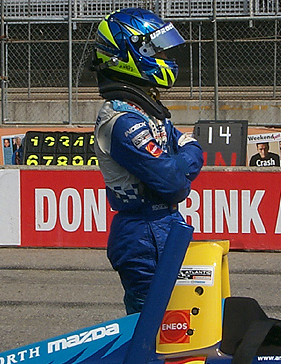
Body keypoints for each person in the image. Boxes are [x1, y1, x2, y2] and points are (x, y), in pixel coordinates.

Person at [93, 8, 203, 314]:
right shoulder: (122, 119)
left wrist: (180, 161)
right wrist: (180, 162)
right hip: (143, 231)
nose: (166, 56)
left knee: (182, 324)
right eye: (157, 49)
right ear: (129, 53)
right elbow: (173, 184)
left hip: (163, 225)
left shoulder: (145, 110)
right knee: (152, 333)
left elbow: (194, 149)